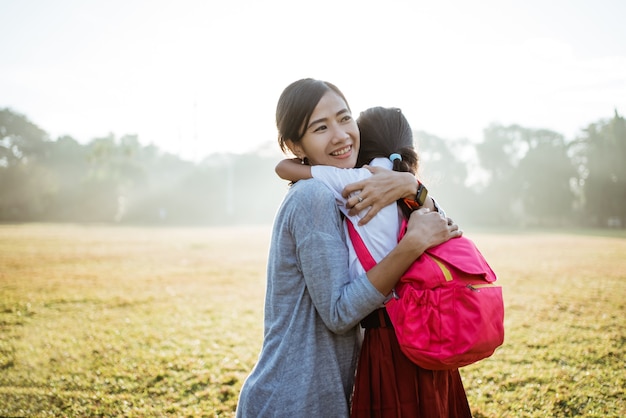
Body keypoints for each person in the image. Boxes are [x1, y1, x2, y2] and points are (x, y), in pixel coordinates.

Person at [235, 79, 461, 418]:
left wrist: (412, 186)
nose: (340, 135)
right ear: (297, 144)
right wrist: (411, 245)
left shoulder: (350, 187)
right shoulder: (313, 197)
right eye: (320, 127)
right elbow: (339, 313)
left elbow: (447, 229)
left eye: (344, 118)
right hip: (295, 398)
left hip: (322, 395)